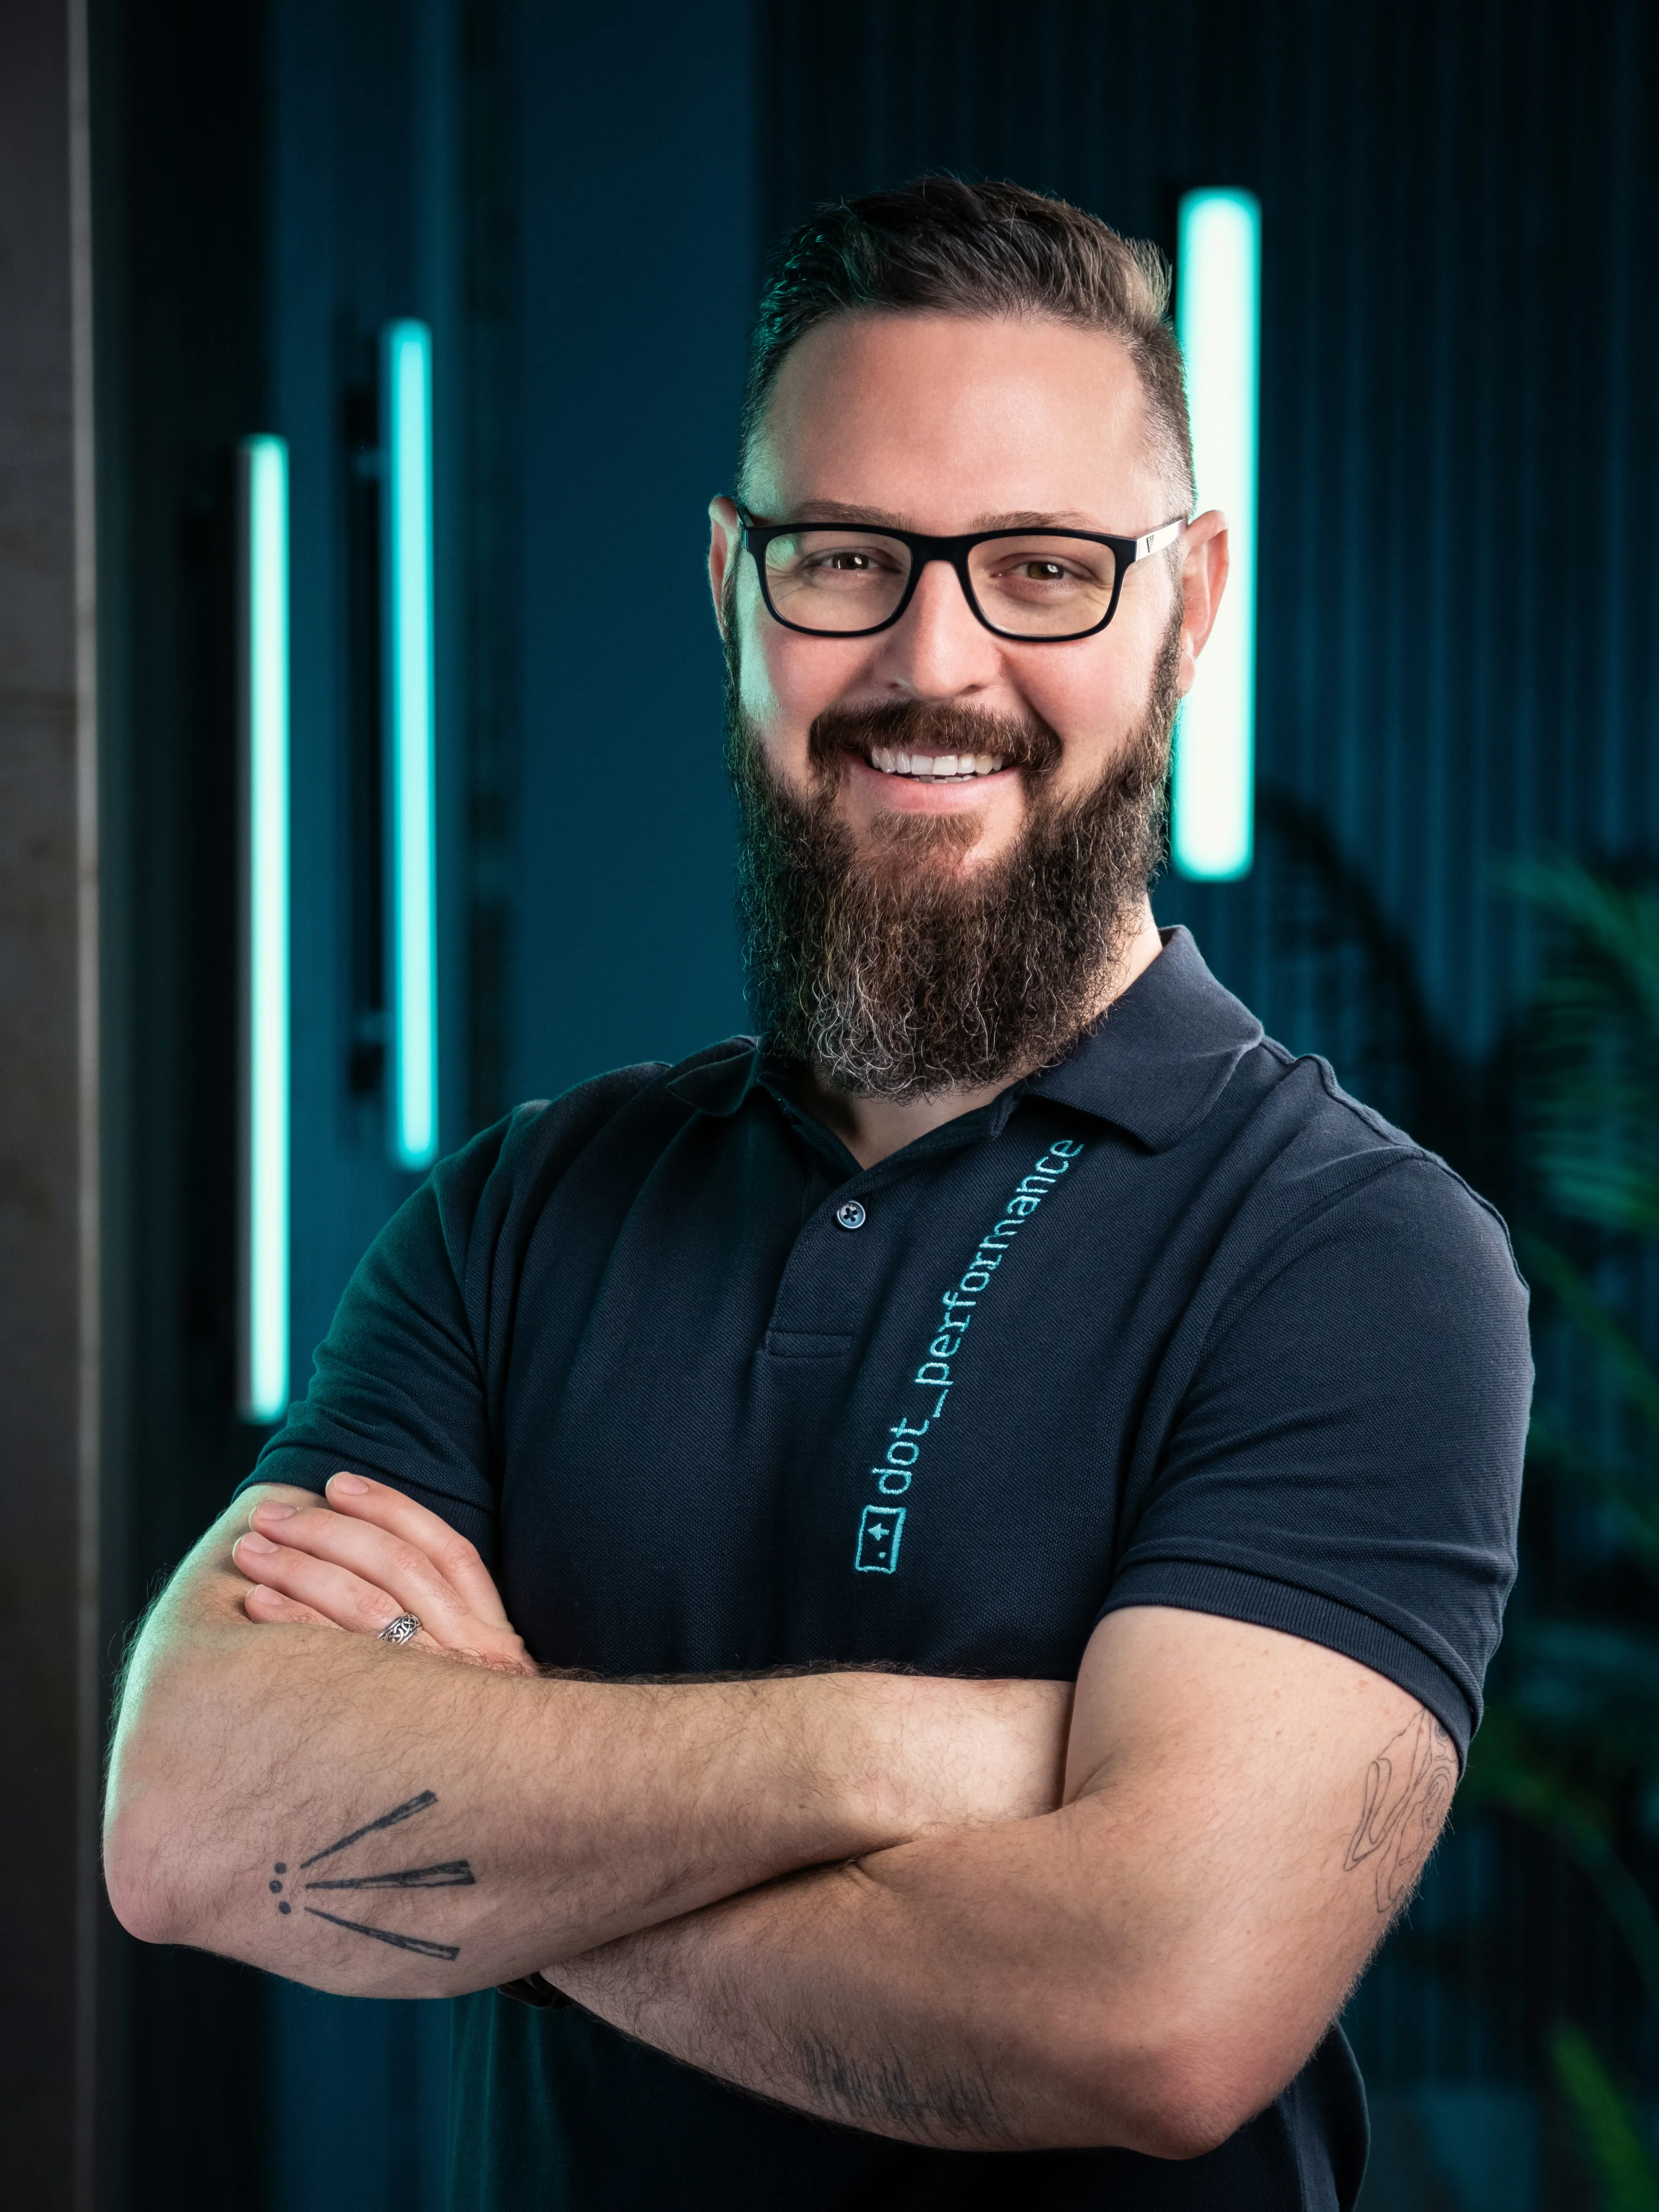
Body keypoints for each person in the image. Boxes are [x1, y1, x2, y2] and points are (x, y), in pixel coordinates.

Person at [104, 178, 1530, 2210]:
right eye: (846, 558)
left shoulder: (1354, 1258)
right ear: (728, 586)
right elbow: (185, 1820)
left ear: (1191, 603)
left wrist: (516, 1801)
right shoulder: (522, 1213)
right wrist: (905, 1752)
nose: (930, 660)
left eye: (1041, 567)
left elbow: (1153, 2018)